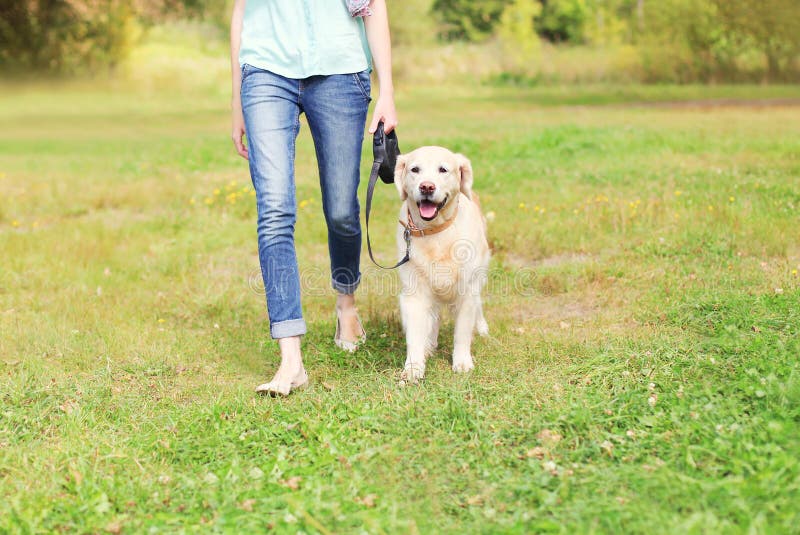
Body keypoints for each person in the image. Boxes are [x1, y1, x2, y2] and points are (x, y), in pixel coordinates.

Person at [230, 0, 397, 396]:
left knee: (342, 211)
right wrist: (236, 98)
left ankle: (346, 303)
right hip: (266, 70)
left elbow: (373, 6)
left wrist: (387, 89)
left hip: (340, 69)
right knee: (273, 210)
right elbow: (240, 11)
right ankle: (291, 359)